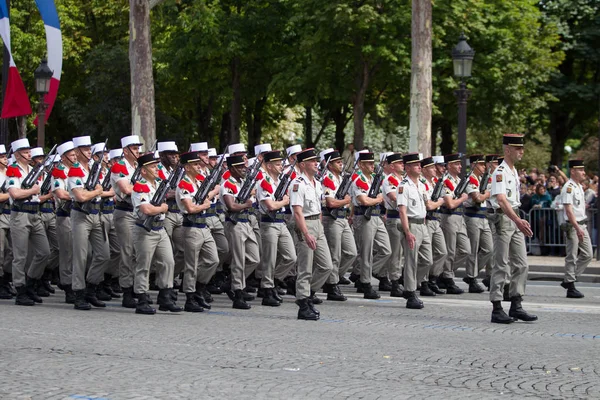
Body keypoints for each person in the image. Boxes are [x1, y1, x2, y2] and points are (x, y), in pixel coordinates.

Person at [488, 134, 537, 324]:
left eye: (521, 148)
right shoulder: (499, 172)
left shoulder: (513, 170)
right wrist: (517, 220)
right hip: (504, 218)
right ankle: (497, 307)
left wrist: (518, 219)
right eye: (518, 148)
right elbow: (501, 199)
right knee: (501, 263)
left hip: (514, 218)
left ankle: (516, 304)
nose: (521, 151)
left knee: (522, 263)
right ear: (507, 150)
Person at [131, 152, 182, 315]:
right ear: (144, 171)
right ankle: (142, 299)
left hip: (159, 228)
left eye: (156, 166)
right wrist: (162, 208)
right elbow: (146, 209)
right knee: (143, 265)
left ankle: (165, 296)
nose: (156, 169)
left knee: (168, 261)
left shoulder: (158, 184)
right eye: (153, 167)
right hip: (145, 230)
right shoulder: (140, 186)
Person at [68, 136, 112, 310]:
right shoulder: (75, 171)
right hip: (81, 215)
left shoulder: (95, 169)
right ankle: (79, 292)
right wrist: (97, 191)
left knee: (104, 254)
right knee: (80, 256)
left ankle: (91, 287)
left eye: (89, 149)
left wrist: (95, 192)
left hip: (96, 214)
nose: (89, 152)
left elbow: (101, 191)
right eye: (85, 149)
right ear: (78, 152)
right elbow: (80, 196)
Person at [6, 138, 51, 306]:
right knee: (21, 255)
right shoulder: (13, 170)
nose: (29, 154)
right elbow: (15, 194)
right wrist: (32, 191)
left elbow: (37, 195)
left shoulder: (33, 170)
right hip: (20, 214)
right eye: (25, 152)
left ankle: (31, 281)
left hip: (35, 213)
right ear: (17, 155)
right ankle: (20, 289)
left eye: (29, 151)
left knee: (44, 252)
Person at [290, 148, 333, 320]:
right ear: (302, 164)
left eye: (316, 160)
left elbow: (318, 207)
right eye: (312, 161)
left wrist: (319, 226)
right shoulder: (298, 184)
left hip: (317, 224)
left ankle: (307, 293)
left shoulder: (316, 182)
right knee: (305, 268)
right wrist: (306, 233)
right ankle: (303, 303)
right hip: (305, 224)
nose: (316, 163)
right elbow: (297, 212)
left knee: (326, 266)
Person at [176, 151, 219, 312]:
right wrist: (204, 206)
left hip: (204, 226)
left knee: (213, 259)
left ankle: (199, 287)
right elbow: (190, 208)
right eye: (195, 164)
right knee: (191, 264)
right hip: (192, 226)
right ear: (187, 167)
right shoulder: (184, 184)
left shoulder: (198, 182)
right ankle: (190, 296)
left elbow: (206, 197)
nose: (199, 166)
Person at [256, 150, 297, 306]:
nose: (281, 167)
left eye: (281, 163)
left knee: (291, 257)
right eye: (278, 164)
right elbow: (271, 205)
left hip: (281, 223)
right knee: (269, 259)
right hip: (269, 223)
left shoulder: (280, 181)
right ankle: (267, 289)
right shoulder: (264, 182)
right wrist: (284, 202)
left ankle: (273, 281)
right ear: (269, 165)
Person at [220, 154, 260, 309]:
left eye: (244, 166)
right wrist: (247, 204)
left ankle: (231, 282)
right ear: (232, 169)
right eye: (240, 167)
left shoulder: (244, 182)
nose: (244, 169)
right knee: (239, 260)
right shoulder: (228, 184)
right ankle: (238, 294)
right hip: (235, 223)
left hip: (246, 222)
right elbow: (232, 206)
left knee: (254, 258)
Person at [351, 152, 391, 299]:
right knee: (366, 252)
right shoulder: (359, 180)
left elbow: (381, 198)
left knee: (386, 250)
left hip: (377, 216)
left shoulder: (375, 178)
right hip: (365, 216)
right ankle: (366, 284)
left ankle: (365, 273)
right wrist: (377, 199)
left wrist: (377, 199)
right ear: (361, 165)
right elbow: (364, 201)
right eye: (368, 163)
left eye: (372, 163)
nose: (371, 165)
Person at [110, 135, 143, 308]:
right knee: (127, 252)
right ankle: (127, 290)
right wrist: (143, 188)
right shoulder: (119, 167)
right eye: (134, 148)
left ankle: (137, 288)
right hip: (125, 211)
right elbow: (126, 189)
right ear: (125, 151)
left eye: (138, 148)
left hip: (139, 212)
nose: (138, 151)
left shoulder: (139, 166)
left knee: (138, 252)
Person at [397, 153, 432, 309]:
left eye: (419, 164)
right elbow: (402, 211)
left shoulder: (422, 184)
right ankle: (410, 293)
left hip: (423, 225)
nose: (419, 166)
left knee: (428, 260)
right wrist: (407, 231)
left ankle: (409, 284)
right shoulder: (403, 186)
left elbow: (426, 205)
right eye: (416, 164)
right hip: (412, 225)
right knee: (411, 261)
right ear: (408, 167)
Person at [320, 149, 355, 301]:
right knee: (335, 254)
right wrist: (346, 201)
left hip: (343, 218)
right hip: (332, 218)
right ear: (329, 164)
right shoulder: (327, 178)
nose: (341, 164)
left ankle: (332, 277)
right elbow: (331, 202)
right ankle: (331, 284)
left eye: (341, 161)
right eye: (338, 162)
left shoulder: (341, 178)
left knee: (351, 252)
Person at [560, 159, 592, 298]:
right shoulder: (569, 187)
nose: (583, 172)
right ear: (573, 171)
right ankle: (570, 285)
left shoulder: (578, 186)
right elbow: (569, 211)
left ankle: (569, 279)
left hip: (582, 224)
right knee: (572, 255)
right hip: (574, 225)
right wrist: (576, 227)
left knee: (588, 254)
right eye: (580, 170)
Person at [438, 153, 470, 294]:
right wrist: (463, 198)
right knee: (450, 250)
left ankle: (444, 271)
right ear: (449, 165)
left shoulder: (458, 180)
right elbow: (450, 204)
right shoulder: (445, 181)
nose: (460, 166)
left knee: (465, 249)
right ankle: (447, 277)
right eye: (457, 164)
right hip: (449, 217)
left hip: (459, 217)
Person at [462, 155, 492, 293]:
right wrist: (487, 193)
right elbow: (477, 197)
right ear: (474, 165)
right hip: (473, 216)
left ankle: (472, 273)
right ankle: (472, 278)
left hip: (483, 216)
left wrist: (485, 194)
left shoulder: (481, 179)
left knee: (489, 249)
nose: (484, 167)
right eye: (480, 164)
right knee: (473, 250)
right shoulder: (471, 179)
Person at [380, 153, 406, 297]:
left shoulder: (404, 180)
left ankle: (398, 278)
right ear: (391, 166)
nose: (402, 165)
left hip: (404, 217)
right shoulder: (389, 180)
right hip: (394, 217)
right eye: (399, 163)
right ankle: (395, 283)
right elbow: (395, 198)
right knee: (395, 253)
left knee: (401, 253)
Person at [420, 156, 447, 295]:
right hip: (428, 220)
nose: (434, 169)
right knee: (426, 255)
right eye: (431, 167)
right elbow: (429, 205)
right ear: (424, 169)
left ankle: (432, 278)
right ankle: (423, 283)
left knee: (443, 252)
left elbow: (446, 198)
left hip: (436, 221)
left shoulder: (436, 182)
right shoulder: (422, 183)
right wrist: (440, 202)